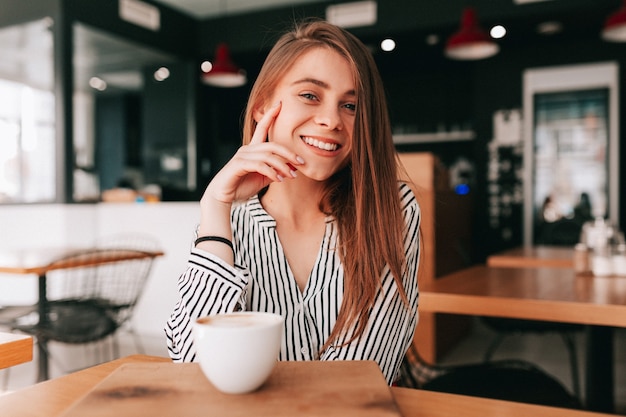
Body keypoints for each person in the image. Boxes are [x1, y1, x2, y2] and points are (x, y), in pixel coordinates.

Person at [165, 19, 421, 385]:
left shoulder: (390, 208)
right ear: (262, 107)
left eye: (350, 105)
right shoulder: (226, 225)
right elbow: (192, 363)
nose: (332, 119)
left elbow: (360, 374)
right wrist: (214, 205)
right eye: (310, 95)